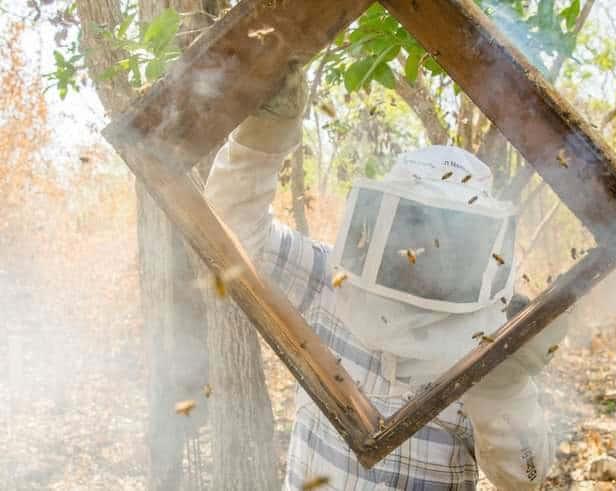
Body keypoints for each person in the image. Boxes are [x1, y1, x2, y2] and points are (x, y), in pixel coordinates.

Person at [205, 66, 568, 490]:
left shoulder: (486, 339)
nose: (431, 250)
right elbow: (229, 231)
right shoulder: (331, 280)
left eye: (449, 240)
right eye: (417, 226)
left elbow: (523, 478)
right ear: (384, 220)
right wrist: (265, 133)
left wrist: (502, 386)